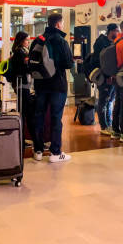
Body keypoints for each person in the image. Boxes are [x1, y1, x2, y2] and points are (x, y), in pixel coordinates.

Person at [31, 13, 74, 163]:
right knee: (56, 118)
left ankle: (38, 150)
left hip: (40, 84)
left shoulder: (38, 39)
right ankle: (55, 153)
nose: (62, 26)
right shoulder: (60, 41)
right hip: (57, 85)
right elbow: (69, 63)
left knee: (39, 116)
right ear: (57, 24)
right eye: (61, 23)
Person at [9, 31, 36, 150]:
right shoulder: (19, 53)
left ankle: (23, 138)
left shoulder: (20, 52)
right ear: (21, 41)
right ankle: (33, 140)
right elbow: (22, 68)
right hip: (22, 86)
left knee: (24, 113)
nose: (28, 42)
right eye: (26, 40)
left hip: (22, 86)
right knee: (27, 114)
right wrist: (29, 65)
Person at [92, 23, 119, 135]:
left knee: (110, 101)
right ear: (111, 31)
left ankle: (109, 124)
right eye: (116, 31)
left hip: (112, 76)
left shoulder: (112, 42)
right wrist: (107, 75)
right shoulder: (101, 42)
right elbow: (102, 62)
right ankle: (104, 126)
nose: (117, 33)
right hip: (104, 77)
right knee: (104, 101)